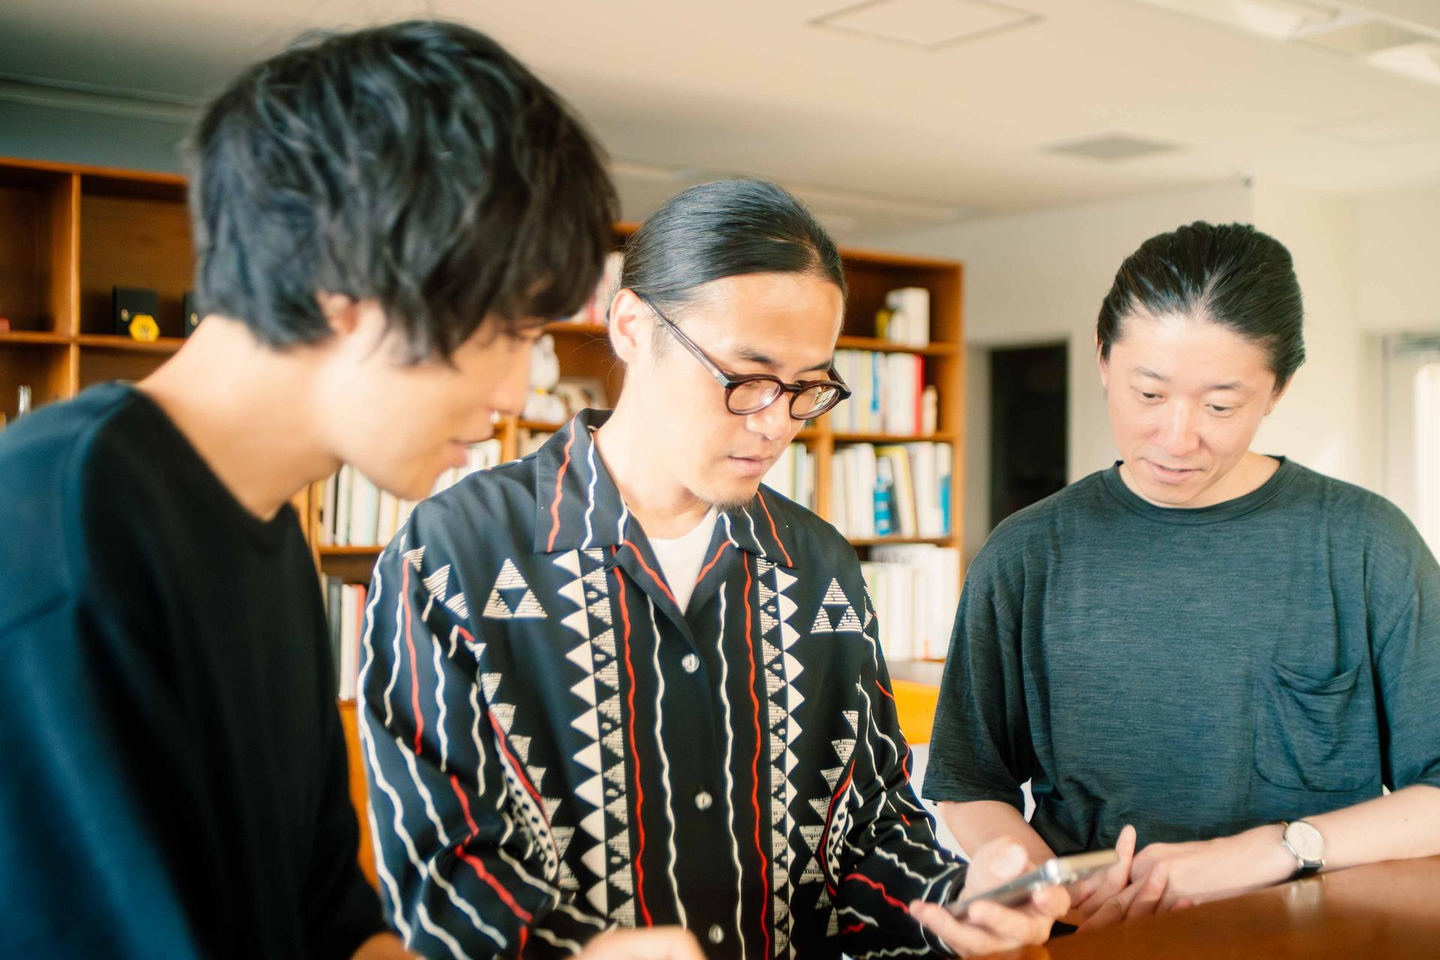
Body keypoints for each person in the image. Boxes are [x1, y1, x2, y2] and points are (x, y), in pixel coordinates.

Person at [0, 20, 623, 959]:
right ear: (347, 282)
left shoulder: (269, 536)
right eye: (506, 333)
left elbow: (333, 933)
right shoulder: (60, 538)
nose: (512, 395)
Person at [359, 178, 1069, 958]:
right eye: (745, 378)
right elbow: (441, 871)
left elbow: (867, 829)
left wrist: (955, 901)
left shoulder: (817, 565)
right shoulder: (453, 555)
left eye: (807, 388)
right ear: (631, 327)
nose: (776, 423)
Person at [924, 221, 1440, 928]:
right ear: (1103, 360)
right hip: (1090, 936)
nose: (1176, 438)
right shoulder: (1025, 555)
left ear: (1277, 390)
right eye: (1148, 394)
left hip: (1321, 938)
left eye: (1220, 405)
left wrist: (1276, 849)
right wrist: (1047, 893)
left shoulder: (1366, 545)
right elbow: (969, 782)